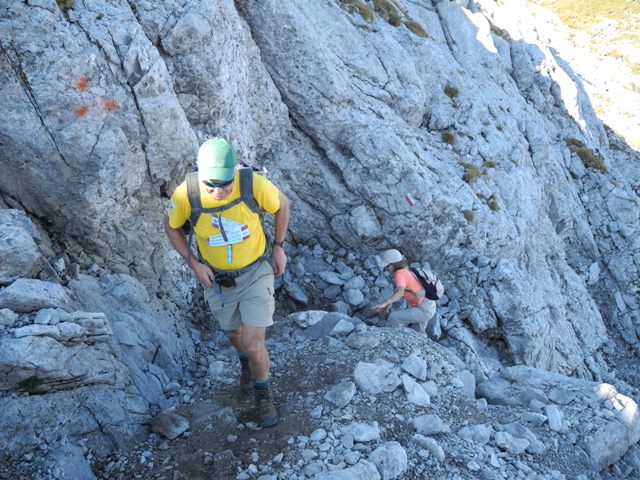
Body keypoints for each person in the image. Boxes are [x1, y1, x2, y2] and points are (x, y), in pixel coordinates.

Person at [164, 138, 289, 428]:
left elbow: (283, 205)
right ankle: (245, 364)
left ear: (235, 172)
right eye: (211, 185)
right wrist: (193, 263)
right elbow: (171, 227)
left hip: (256, 271)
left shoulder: (253, 184)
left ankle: (263, 395)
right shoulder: (187, 195)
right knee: (234, 334)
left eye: (225, 184)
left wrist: (279, 246)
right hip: (218, 280)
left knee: (254, 343)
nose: (218, 191)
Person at [372, 249, 436, 334]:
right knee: (418, 334)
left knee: (394, 317)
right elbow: (399, 290)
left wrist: (385, 303)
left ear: (393, 265)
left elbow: (400, 293)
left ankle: (389, 339)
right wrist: (387, 304)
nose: (385, 268)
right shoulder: (406, 270)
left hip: (423, 309)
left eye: (387, 266)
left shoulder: (400, 274)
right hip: (428, 304)